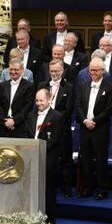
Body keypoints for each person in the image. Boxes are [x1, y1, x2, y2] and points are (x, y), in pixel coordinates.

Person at [76, 58, 112, 200]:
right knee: (85, 160)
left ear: (102, 71)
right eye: (90, 70)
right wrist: (85, 120)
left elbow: (109, 109)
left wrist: (94, 121)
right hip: (85, 127)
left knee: (100, 160)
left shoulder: (109, 87)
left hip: (100, 128)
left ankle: (102, 189)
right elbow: (78, 106)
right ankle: (88, 188)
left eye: (95, 70)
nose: (92, 72)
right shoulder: (83, 85)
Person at [25, 89, 65, 224]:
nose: (38, 103)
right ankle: (31, 215)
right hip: (31, 157)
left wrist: (39, 149)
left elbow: (55, 139)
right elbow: (27, 135)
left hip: (48, 157)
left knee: (48, 189)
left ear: (49, 100)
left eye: (41, 100)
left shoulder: (57, 117)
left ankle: (49, 218)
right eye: (37, 100)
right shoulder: (30, 116)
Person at [37, 60, 74, 197]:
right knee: (46, 158)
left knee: (65, 158)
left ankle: (66, 188)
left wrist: (53, 118)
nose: (54, 73)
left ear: (62, 71)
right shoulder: (42, 85)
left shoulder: (69, 87)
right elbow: (38, 104)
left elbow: (68, 109)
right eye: (51, 71)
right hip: (44, 128)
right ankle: (44, 186)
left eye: (57, 71)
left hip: (62, 128)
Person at [0, 59, 35, 138]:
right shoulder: (3, 85)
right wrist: (4, 121)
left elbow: (28, 106)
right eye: (11, 69)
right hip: (4, 126)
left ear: (22, 70)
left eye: (16, 69)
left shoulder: (29, 86)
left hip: (21, 127)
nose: (13, 72)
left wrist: (14, 121)